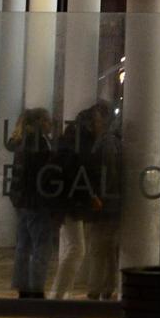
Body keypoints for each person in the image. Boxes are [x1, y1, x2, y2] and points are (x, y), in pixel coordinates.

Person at [50, 102, 112, 303]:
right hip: (71, 201)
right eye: (101, 120)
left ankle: (61, 295)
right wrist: (90, 195)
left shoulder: (71, 137)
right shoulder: (81, 141)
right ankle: (58, 296)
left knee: (72, 248)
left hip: (65, 199)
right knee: (77, 249)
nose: (103, 125)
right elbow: (79, 171)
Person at [7, 107, 58, 299]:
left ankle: (23, 288)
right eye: (46, 120)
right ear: (38, 122)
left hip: (23, 201)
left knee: (24, 245)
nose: (50, 123)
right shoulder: (39, 144)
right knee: (41, 248)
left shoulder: (21, 142)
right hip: (37, 201)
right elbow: (44, 174)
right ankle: (36, 289)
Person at [82, 109, 122, 300]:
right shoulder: (110, 143)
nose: (93, 125)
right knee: (107, 250)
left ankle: (96, 289)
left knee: (98, 249)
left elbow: (109, 177)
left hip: (105, 205)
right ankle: (107, 287)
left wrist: (99, 198)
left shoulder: (105, 145)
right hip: (110, 204)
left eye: (97, 120)